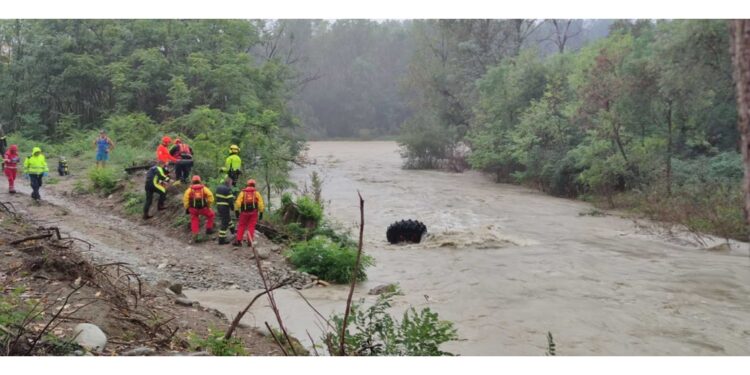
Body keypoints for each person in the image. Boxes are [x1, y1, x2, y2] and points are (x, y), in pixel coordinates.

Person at [182, 175, 215, 243]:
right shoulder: (204, 188)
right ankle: (209, 229)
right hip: (203, 208)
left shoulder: (189, 190)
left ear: (192, 181)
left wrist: (187, 207)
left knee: (194, 220)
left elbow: (185, 200)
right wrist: (208, 205)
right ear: (200, 181)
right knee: (211, 215)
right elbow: (211, 197)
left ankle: (195, 234)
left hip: (193, 209)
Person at [233, 179, 264, 247]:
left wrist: (236, 211)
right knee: (251, 226)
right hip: (253, 213)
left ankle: (238, 241)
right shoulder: (256, 193)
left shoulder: (243, 192)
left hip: (244, 212)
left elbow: (237, 203)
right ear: (254, 185)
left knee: (241, 226)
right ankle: (250, 241)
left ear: (247, 184)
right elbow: (261, 203)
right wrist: (261, 212)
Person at [214, 176, 236, 245]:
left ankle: (233, 231)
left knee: (228, 218)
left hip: (219, 206)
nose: (232, 184)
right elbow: (230, 201)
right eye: (231, 183)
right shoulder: (228, 189)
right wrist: (233, 208)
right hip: (224, 207)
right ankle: (221, 240)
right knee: (225, 223)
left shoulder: (218, 187)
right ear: (229, 182)